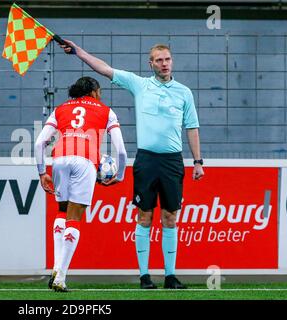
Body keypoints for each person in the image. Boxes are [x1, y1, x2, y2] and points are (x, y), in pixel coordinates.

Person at [60, 41, 204, 289]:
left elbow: (192, 128)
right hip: (146, 160)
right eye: (159, 60)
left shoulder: (184, 92)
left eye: (167, 59)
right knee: (144, 216)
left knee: (170, 217)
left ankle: (170, 276)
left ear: (172, 61)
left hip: (173, 161)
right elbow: (105, 69)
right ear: (151, 64)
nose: (164, 63)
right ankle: (144, 276)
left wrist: (198, 161)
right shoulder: (140, 85)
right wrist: (78, 51)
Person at [35, 76, 127, 292]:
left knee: (62, 210)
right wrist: (120, 175)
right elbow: (121, 150)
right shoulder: (106, 111)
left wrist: (42, 173)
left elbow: (40, 143)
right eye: (100, 91)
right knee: (75, 217)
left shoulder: (60, 109)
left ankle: (57, 267)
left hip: (60, 158)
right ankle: (61, 277)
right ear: (94, 92)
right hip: (85, 159)